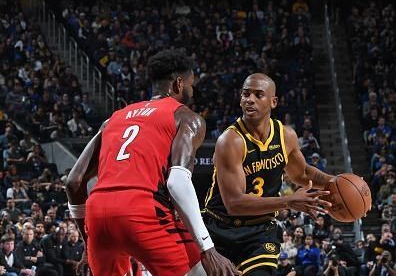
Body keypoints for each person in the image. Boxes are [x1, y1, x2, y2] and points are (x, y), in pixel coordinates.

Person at [65, 50, 239, 276]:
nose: (192, 91)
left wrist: (89, 242)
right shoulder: (186, 118)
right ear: (178, 84)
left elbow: (73, 181)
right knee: (203, 271)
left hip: (98, 215)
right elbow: (177, 182)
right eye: (190, 85)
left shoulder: (113, 120)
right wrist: (207, 248)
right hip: (142, 211)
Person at [203, 73, 361, 276]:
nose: (249, 99)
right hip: (221, 227)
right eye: (245, 94)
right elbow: (235, 204)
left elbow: (302, 173)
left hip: (260, 231)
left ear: (273, 101)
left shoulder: (286, 135)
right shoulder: (230, 141)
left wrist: (334, 182)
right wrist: (288, 201)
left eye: (258, 95)